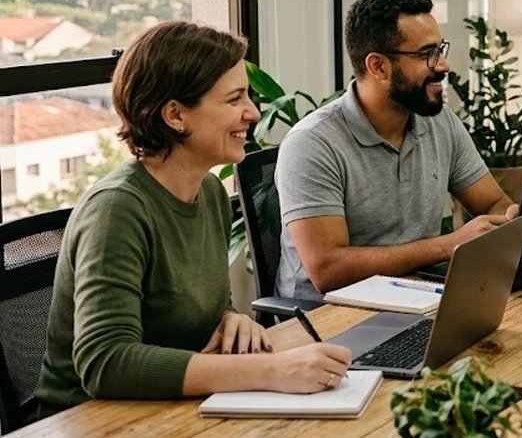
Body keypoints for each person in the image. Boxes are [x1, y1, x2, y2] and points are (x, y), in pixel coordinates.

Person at [36, 22, 352, 417]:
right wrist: (268, 369)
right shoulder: (116, 209)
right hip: (95, 420)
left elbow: (196, 308)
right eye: (234, 99)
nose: (252, 113)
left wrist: (231, 319)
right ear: (175, 115)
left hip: (177, 409)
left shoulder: (211, 193)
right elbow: (105, 362)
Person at [276, 0, 519, 301]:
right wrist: (448, 245)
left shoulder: (439, 121)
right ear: (378, 66)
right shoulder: (312, 144)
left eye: (440, 49)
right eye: (426, 54)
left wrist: (509, 219)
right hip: (328, 321)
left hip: (418, 297)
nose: (443, 65)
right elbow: (328, 270)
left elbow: (492, 203)